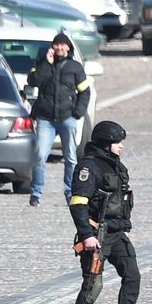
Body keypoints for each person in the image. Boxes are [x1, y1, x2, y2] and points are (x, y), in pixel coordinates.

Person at [68, 121, 146, 304]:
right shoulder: (89, 167)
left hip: (116, 232)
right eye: (117, 142)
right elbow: (78, 203)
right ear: (105, 143)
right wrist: (87, 235)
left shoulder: (114, 164)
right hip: (96, 234)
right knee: (93, 285)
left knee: (132, 276)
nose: (121, 146)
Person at [26, 33, 91, 207]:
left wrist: (77, 113)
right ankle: (36, 193)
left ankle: (70, 192)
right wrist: (46, 63)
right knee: (40, 156)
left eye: (63, 45)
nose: (59, 48)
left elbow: (85, 92)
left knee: (71, 158)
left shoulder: (75, 67)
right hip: (46, 119)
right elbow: (34, 81)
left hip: (67, 118)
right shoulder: (42, 64)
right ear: (52, 47)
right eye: (56, 45)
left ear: (68, 47)